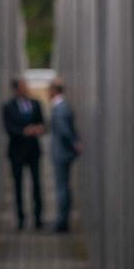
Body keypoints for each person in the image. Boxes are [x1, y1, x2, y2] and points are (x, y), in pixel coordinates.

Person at [2, 78, 45, 230]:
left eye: (26, 86)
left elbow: (43, 123)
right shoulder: (8, 107)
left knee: (37, 185)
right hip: (17, 151)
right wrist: (24, 131)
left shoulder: (35, 103)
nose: (26, 88)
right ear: (16, 90)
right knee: (18, 186)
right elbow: (8, 128)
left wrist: (39, 129)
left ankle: (38, 218)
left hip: (33, 150)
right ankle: (21, 219)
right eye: (23, 86)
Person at [48, 78, 82, 232]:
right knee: (64, 186)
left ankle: (62, 221)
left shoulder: (59, 108)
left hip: (62, 153)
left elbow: (64, 130)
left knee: (62, 187)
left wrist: (74, 142)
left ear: (55, 90)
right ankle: (63, 219)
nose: (47, 92)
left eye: (49, 89)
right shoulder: (63, 106)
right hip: (65, 152)